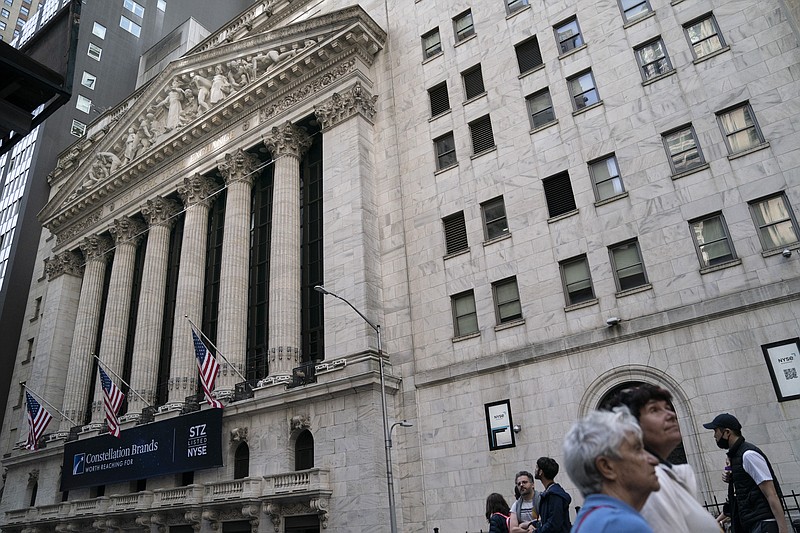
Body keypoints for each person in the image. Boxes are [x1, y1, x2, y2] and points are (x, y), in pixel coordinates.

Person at [606, 384, 721, 532]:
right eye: (654, 410)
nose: (671, 414)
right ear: (631, 427)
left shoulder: (668, 474)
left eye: (668, 407)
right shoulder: (646, 482)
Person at [563, 408, 660, 532]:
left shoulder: (592, 520)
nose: (653, 459)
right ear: (607, 467)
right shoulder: (622, 524)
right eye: (637, 449)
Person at [703, 413, 788, 533]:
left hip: (763, 523)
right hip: (752, 523)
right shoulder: (736, 456)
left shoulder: (748, 455)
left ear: (727, 432)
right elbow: (741, 495)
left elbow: (771, 494)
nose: (714, 436)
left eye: (715, 431)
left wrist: (783, 530)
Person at [530, 457, 571, 533]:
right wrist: (534, 524)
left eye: (536, 467)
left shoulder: (555, 495)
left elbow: (554, 524)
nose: (535, 470)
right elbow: (547, 520)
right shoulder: (549, 493)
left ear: (541, 472)